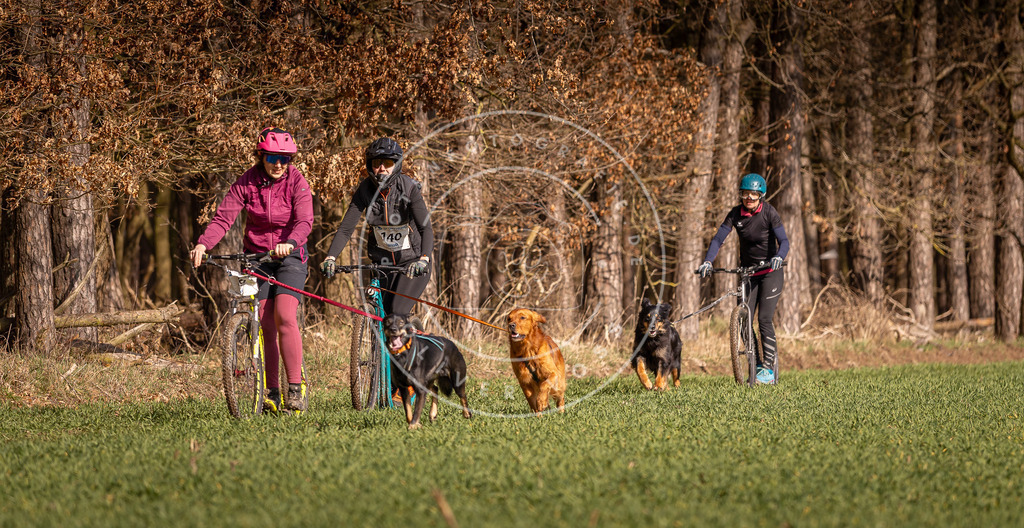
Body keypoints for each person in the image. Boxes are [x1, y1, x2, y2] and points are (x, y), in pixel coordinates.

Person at [190, 127, 313, 411]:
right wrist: (203, 244)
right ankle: (271, 391)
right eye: (273, 157)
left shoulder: (297, 181)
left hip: (291, 258)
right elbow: (223, 218)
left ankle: (296, 388)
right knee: (265, 323)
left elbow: (305, 221)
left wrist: (291, 242)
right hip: (257, 258)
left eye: (285, 158)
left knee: (284, 314)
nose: (279, 164)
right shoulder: (247, 182)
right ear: (261, 156)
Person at [320, 137, 433, 325]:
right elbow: (346, 229)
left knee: (396, 314)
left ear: (396, 164)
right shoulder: (364, 190)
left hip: (411, 263)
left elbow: (426, 227)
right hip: (382, 264)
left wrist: (424, 259)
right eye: (376, 163)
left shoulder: (408, 188)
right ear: (369, 165)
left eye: (388, 163)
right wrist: (331, 257)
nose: (382, 168)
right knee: (380, 316)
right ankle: (378, 354)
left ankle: (409, 352)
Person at [697, 173, 788, 385]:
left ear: (761, 196)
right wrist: (708, 262)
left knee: (764, 319)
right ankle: (755, 364)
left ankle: (768, 369)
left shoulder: (769, 213)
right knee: (743, 319)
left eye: (753, 195)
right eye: (745, 194)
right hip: (749, 273)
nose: (748, 198)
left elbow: (784, 241)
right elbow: (719, 238)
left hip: (770, 272)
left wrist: (778, 257)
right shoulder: (735, 214)